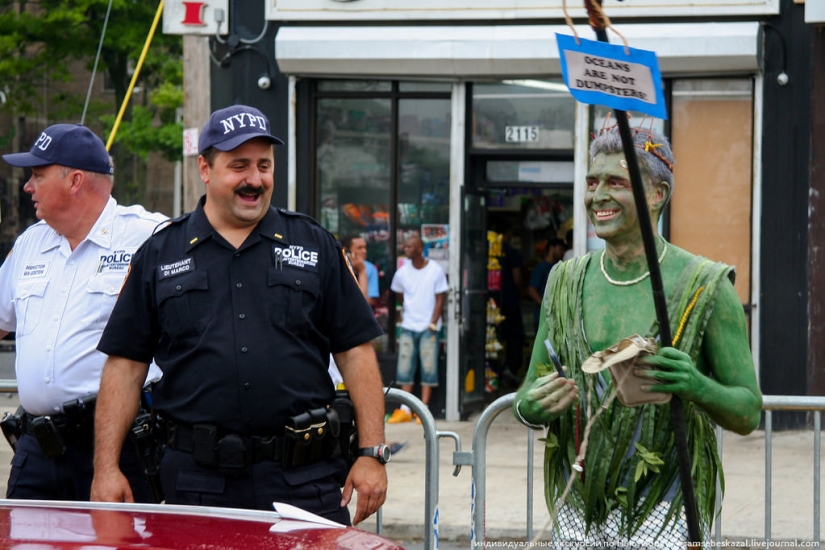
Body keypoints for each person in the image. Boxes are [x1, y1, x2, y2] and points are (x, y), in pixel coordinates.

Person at [90, 105, 389, 526]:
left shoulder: (314, 244)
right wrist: (106, 468)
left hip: (304, 480)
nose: (255, 179)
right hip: (196, 482)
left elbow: (356, 351)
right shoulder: (160, 253)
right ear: (205, 169)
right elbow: (124, 365)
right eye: (239, 166)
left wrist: (372, 452)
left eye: (264, 165)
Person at [513, 126, 762, 546]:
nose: (597, 195)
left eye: (616, 183)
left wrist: (697, 386)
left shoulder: (705, 286)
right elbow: (526, 393)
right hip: (578, 508)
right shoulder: (564, 282)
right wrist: (530, 407)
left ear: (657, 194)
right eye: (592, 182)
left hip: (665, 510)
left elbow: (748, 412)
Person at [0, 123, 167, 501]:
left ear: (75, 180)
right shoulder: (29, 244)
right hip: (38, 447)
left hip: (120, 447)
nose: (28, 187)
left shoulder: (150, 237)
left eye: (37, 175)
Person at [387, 235, 448, 424]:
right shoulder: (402, 272)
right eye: (405, 246)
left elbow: (440, 298)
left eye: (410, 246)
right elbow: (399, 295)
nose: (406, 249)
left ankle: (423, 409)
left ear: (420, 248)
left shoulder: (435, 270)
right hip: (408, 325)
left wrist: (433, 322)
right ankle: (405, 409)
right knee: (405, 368)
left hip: (429, 327)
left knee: (428, 368)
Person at [496, 221, 525, 388]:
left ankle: (498, 371)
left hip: (492, 302)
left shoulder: (487, 251)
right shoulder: (512, 252)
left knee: (496, 338)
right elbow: (517, 278)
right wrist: (520, 294)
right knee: (515, 338)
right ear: (507, 234)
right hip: (510, 301)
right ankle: (510, 370)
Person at [526, 237, 566, 331]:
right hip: (542, 319)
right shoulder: (540, 268)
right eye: (560, 249)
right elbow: (531, 290)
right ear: (552, 248)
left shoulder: (559, 267)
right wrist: (546, 307)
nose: (562, 252)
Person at [340, 234, 379, 306]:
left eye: (365, 247)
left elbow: (367, 302)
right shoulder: (338, 267)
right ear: (346, 250)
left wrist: (362, 271)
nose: (364, 251)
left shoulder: (370, 268)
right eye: (359, 248)